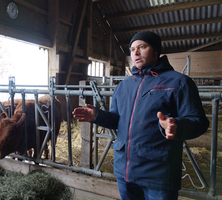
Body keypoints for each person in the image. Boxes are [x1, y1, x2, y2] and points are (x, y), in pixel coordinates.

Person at [72, 31, 209, 200]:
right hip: (125, 171)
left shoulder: (179, 82)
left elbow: (199, 122)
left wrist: (177, 126)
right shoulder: (123, 86)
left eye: (142, 47)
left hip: (157, 173)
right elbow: (117, 120)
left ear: (156, 51)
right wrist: (97, 116)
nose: (135, 53)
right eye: (132, 49)